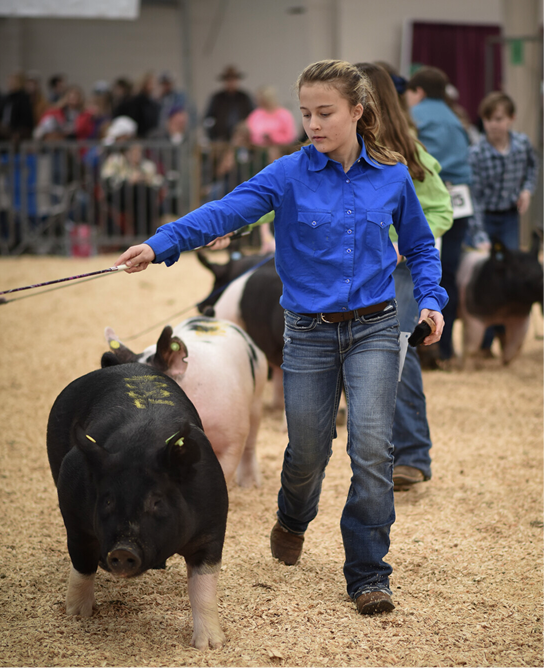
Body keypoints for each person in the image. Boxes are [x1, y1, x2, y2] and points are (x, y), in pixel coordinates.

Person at [113, 59, 447, 616]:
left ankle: (368, 572)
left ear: (358, 112)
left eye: (325, 112)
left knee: (371, 452)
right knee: (307, 452)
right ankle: (293, 516)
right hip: (309, 335)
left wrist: (432, 301)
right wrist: (162, 243)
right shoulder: (286, 174)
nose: (313, 124)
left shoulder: (391, 176)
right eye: (305, 113)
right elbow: (224, 211)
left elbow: (420, 248)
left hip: (375, 328)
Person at [356, 62, 453, 490]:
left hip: (405, 269)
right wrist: (236, 226)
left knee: (398, 346)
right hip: (356, 268)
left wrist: (408, 241)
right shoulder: (332, 153)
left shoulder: (410, 155)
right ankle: (376, 450)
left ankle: (412, 454)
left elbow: (441, 210)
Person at [406, 66, 471, 364]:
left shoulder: (416, 118)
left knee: (427, 272)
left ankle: (423, 350)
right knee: (451, 273)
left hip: (430, 201)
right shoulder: (456, 118)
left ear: (418, 92)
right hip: (460, 200)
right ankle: (447, 350)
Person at [469, 91, 538, 353]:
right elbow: (473, 197)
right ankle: (484, 341)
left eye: (498, 118)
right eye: (487, 119)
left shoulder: (522, 145)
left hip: (509, 217)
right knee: (487, 276)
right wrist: (478, 235)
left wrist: (527, 190)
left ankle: (505, 331)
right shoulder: (476, 153)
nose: (493, 125)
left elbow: (534, 167)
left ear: (511, 118)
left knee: (510, 272)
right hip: (485, 217)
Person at [203, 65, 254, 142]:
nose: (231, 83)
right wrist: (212, 135)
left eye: (233, 79)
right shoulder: (217, 98)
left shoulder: (244, 97)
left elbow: (253, 116)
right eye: (228, 80)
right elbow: (208, 119)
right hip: (221, 138)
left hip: (242, 139)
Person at [246, 86, 297, 151]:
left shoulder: (284, 114)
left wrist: (273, 137)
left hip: (280, 150)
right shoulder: (255, 115)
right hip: (258, 150)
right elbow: (249, 134)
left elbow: (290, 136)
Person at [0, 71, 34, 142]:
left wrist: (18, 131)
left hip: (17, 129)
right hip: (4, 127)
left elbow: (26, 118)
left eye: (13, 81)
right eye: (9, 81)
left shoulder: (23, 98)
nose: (10, 83)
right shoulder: (6, 98)